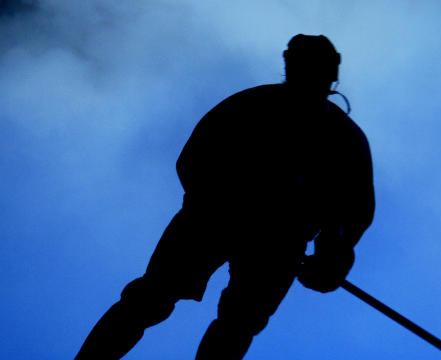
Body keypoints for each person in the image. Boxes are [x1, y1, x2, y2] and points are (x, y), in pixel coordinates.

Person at [75, 34, 375, 360]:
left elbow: (354, 213)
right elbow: (193, 160)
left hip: (266, 240)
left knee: (223, 321)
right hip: (220, 223)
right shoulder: (269, 110)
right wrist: (330, 251)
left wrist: (332, 253)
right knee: (154, 301)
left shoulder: (337, 136)